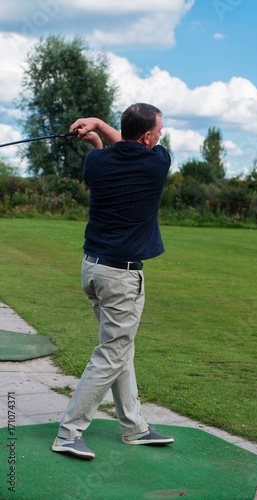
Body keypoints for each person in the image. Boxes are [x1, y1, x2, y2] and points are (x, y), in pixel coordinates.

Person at [52, 103, 174, 459]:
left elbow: (118, 153)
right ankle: (69, 431)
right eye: (159, 131)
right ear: (148, 136)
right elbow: (130, 150)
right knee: (112, 352)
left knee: (122, 347)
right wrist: (100, 128)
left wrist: (96, 137)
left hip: (92, 270)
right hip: (121, 276)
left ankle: (134, 427)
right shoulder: (157, 164)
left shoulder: (96, 162)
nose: (161, 136)